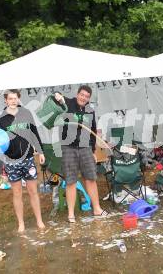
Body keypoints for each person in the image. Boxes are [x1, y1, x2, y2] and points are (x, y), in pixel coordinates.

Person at [0, 89, 46, 232]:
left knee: (33, 191)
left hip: (28, 158)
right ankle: (21, 223)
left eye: (15, 98)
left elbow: (34, 132)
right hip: (11, 161)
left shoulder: (26, 114)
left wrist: (40, 151)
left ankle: (39, 221)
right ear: (6, 100)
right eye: (10, 99)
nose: (13, 101)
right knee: (17, 193)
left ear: (18, 99)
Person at [54, 85, 106, 223]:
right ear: (77, 94)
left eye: (87, 96)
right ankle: (71, 214)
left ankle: (97, 209)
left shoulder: (90, 111)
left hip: (85, 148)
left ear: (89, 99)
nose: (84, 98)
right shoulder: (69, 103)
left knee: (91, 179)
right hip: (68, 148)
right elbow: (56, 95)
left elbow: (93, 131)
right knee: (71, 180)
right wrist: (58, 96)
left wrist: (94, 151)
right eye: (82, 95)